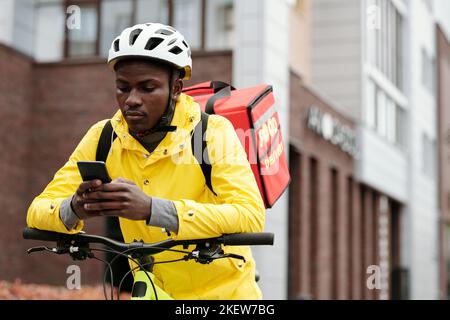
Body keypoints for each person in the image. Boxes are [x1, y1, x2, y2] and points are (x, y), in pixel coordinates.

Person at [26, 23, 265, 299]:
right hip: (152, 290)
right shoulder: (103, 137)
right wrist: (75, 207)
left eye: (147, 88)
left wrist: (153, 209)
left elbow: (249, 215)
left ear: (176, 89)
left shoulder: (210, 134)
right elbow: (37, 210)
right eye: (123, 88)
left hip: (226, 295)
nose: (132, 100)